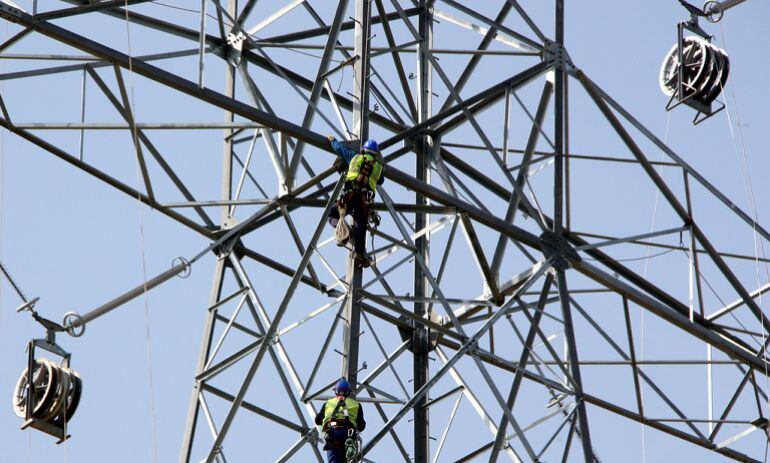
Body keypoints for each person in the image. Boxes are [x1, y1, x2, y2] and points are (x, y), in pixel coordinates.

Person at [327, 136, 384, 268]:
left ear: (363, 150)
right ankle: (359, 253)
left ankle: (345, 231)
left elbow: (339, 149)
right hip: (364, 200)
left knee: (332, 213)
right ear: (376, 154)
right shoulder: (378, 167)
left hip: (349, 196)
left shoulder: (354, 157)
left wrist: (332, 140)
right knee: (360, 225)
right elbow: (381, 181)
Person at [315, 378, 366, 463]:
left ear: (336, 392)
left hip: (333, 433)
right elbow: (361, 426)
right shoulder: (356, 405)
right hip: (348, 434)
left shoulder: (328, 403)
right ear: (348, 392)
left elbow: (317, 420)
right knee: (348, 458)